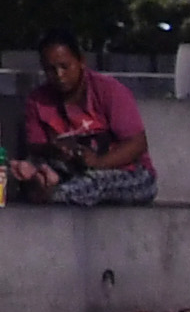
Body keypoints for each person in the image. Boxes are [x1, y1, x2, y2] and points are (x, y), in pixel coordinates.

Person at [13, 30, 154, 204]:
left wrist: (97, 162)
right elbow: (35, 146)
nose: (59, 75)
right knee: (31, 167)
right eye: (51, 69)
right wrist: (56, 150)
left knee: (96, 182)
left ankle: (54, 196)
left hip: (127, 173)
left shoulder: (108, 90)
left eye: (65, 67)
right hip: (71, 169)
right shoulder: (38, 99)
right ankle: (47, 186)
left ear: (81, 62)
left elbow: (137, 144)